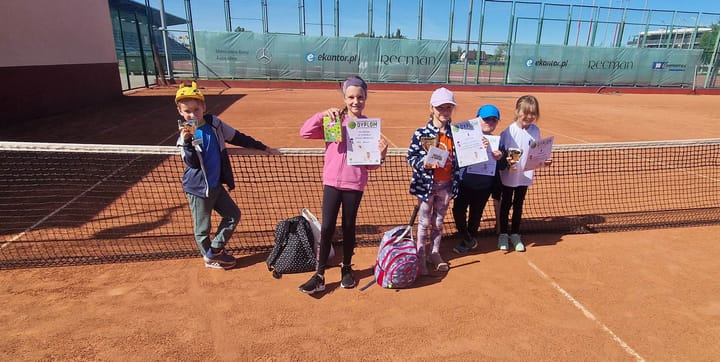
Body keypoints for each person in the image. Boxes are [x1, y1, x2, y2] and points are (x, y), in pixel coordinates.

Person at [298, 75, 388, 294]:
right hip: (331, 182)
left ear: (365, 99)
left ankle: (346, 268)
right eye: (351, 97)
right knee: (327, 227)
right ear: (344, 98)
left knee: (348, 227)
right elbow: (305, 132)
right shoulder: (333, 121)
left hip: (354, 184)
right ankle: (319, 274)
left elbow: (371, 166)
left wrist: (380, 155)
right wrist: (322, 115)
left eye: (360, 97)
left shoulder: (368, 127)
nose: (355, 101)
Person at [175, 81, 279, 269]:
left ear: (203, 107)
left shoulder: (215, 123)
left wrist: (261, 146)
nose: (192, 114)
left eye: (196, 109)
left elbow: (237, 137)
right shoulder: (183, 138)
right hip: (198, 189)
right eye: (187, 111)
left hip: (215, 186)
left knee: (233, 215)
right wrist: (187, 143)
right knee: (202, 228)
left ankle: (214, 251)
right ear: (180, 112)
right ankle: (210, 258)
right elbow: (192, 163)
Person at [407, 87, 460, 274]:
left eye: (448, 108)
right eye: (440, 108)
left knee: (438, 222)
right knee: (423, 223)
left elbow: (464, 157)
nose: (444, 112)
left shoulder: (457, 134)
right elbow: (410, 158)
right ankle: (421, 256)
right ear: (432, 109)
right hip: (425, 187)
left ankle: (435, 253)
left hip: (446, 186)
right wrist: (425, 163)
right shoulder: (421, 133)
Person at [497, 95, 552, 252]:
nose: (529, 117)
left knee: (519, 205)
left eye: (533, 113)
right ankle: (502, 235)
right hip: (509, 176)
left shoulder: (536, 130)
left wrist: (544, 161)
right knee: (506, 205)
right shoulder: (507, 132)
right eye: (526, 113)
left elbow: (538, 152)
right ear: (517, 111)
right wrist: (506, 160)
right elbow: (501, 154)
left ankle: (515, 234)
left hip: (525, 176)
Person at [451, 104, 504, 254]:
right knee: (458, 211)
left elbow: (502, 164)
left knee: (476, 214)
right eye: (486, 119)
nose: (490, 123)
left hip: (485, 186)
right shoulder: (464, 136)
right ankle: (465, 234)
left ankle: (470, 237)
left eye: (494, 120)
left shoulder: (497, 142)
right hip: (465, 183)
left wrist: (500, 157)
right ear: (477, 119)